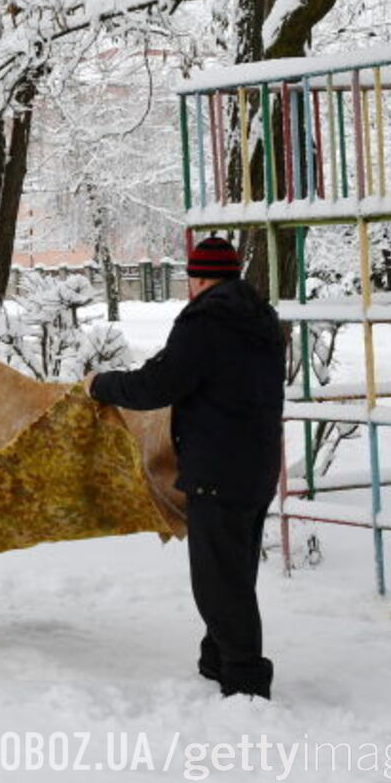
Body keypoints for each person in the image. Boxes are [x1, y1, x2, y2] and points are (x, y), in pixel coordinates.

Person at [86, 236, 285, 699]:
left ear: (197, 278)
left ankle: (246, 680)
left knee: (217, 581)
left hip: (218, 467)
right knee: (233, 571)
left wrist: (102, 385)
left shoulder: (206, 322)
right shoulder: (261, 318)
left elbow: (159, 384)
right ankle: (216, 659)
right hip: (257, 464)